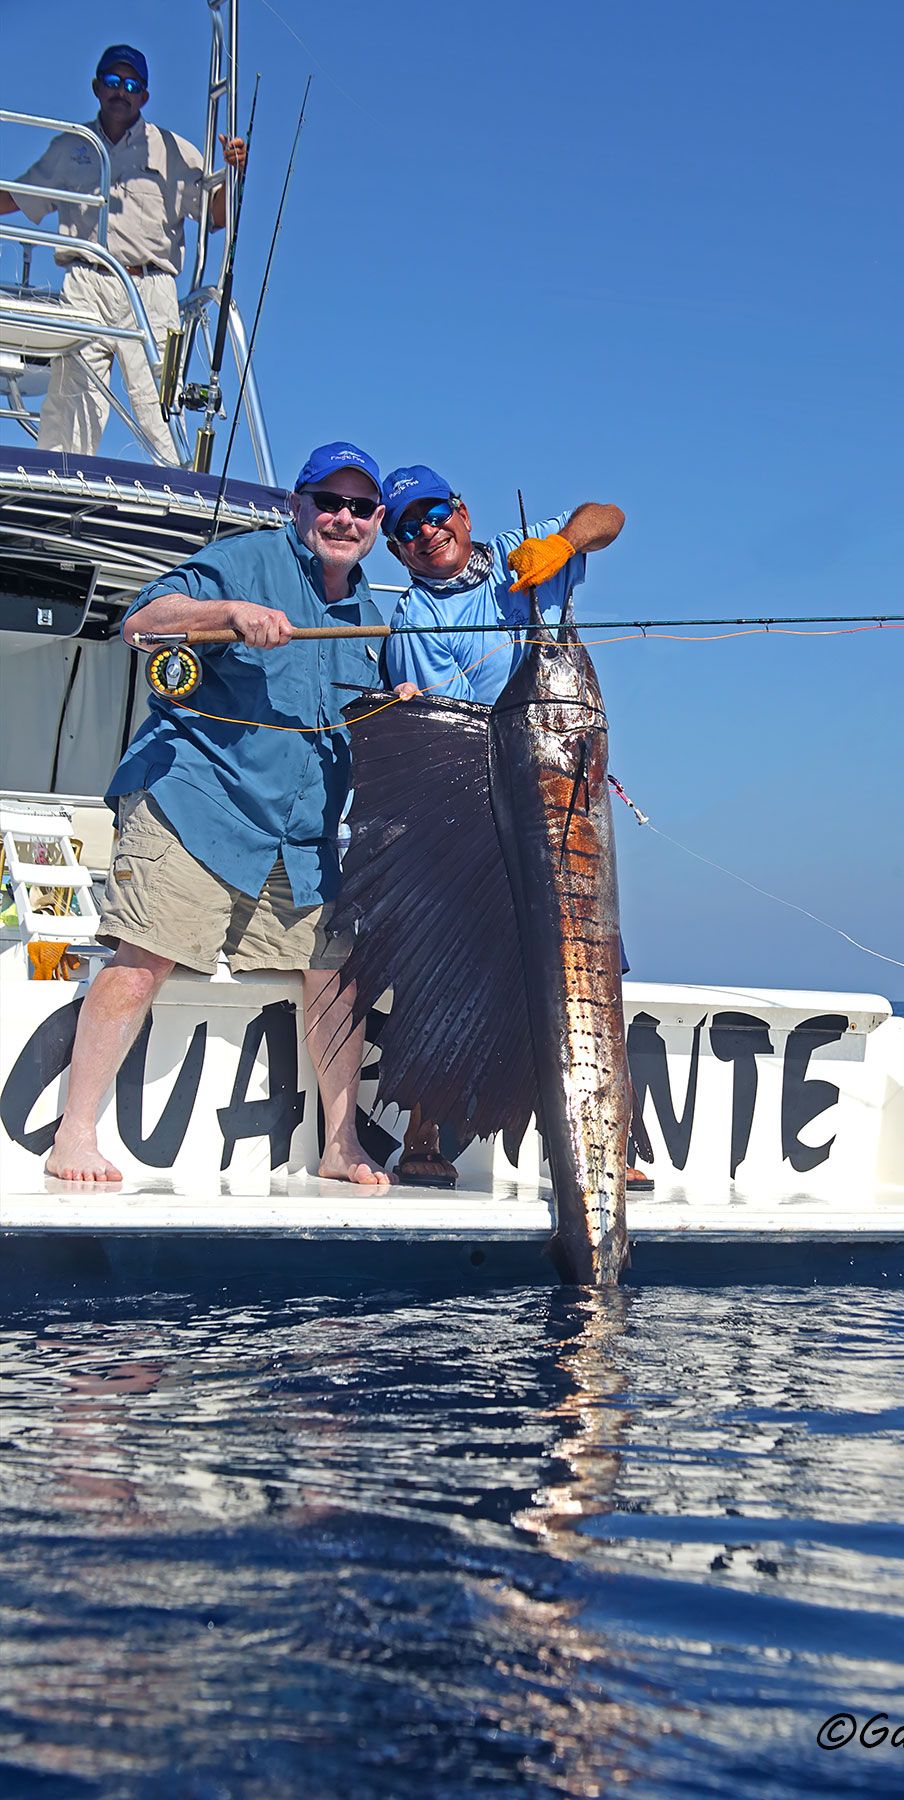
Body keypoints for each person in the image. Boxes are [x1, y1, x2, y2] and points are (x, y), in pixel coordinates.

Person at [45, 441, 392, 1187]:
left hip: (299, 841)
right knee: (142, 959)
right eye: (326, 501)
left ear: (376, 521)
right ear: (297, 506)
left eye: (359, 507)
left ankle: (340, 1143)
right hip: (194, 804)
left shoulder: (372, 617)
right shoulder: (246, 560)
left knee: (334, 974)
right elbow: (145, 623)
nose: (341, 517)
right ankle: (73, 1136)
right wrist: (226, 613)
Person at [377, 465, 651, 1192]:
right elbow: (447, 724)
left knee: (595, 959)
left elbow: (609, 512)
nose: (427, 532)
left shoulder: (519, 554)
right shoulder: (413, 618)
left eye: (434, 513)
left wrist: (561, 542)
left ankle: (613, 1138)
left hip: (561, 786)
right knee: (444, 962)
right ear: (398, 550)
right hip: (474, 796)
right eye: (407, 528)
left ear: (461, 512)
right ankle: (422, 1133)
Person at [0, 44, 247, 464]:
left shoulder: (175, 150)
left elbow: (216, 217)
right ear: (96, 87)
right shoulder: (72, 147)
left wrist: (236, 169)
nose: (121, 91)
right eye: (112, 82)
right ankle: (61, 484)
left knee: (158, 402)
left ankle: (178, 485)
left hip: (150, 286)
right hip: (86, 281)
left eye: (131, 85)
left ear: (145, 96)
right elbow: (21, 196)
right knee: (71, 397)